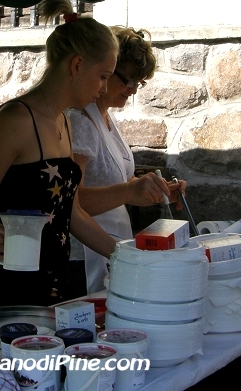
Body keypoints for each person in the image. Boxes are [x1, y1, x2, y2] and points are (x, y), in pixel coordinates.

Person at [0, 0, 119, 310]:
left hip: (50, 292)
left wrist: (128, 254)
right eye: (103, 75)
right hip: (6, 293)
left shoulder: (64, 120)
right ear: (76, 65)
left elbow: (71, 214)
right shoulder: (15, 120)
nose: (104, 88)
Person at [68, 26, 186, 295]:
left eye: (139, 82)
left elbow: (119, 182)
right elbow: (72, 201)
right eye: (128, 80)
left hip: (112, 247)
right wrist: (129, 191)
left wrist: (156, 188)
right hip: (83, 256)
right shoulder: (80, 121)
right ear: (105, 70)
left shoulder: (107, 117)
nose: (133, 89)